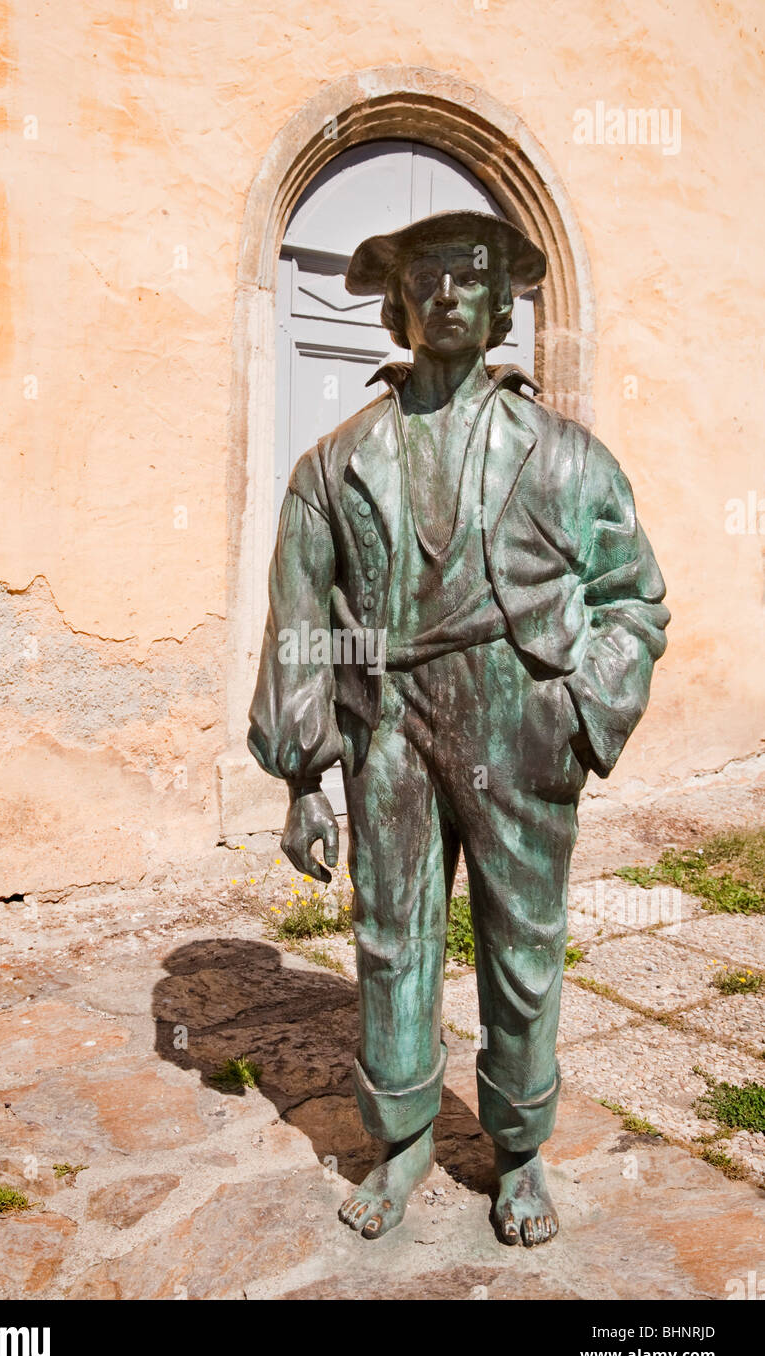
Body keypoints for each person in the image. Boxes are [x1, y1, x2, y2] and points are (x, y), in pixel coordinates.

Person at [248, 210, 669, 1245]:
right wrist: (303, 774)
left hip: (517, 715)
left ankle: (519, 1150)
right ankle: (399, 1141)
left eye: (468, 280)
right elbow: (302, 626)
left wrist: (578, 708)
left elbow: (633, 600)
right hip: (385, 719)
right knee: (390, 937)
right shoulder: (330, 467)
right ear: (396, 305)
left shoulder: (563, 456)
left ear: (497, 311)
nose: (446, 295)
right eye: (425, 277)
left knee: (522, 942)